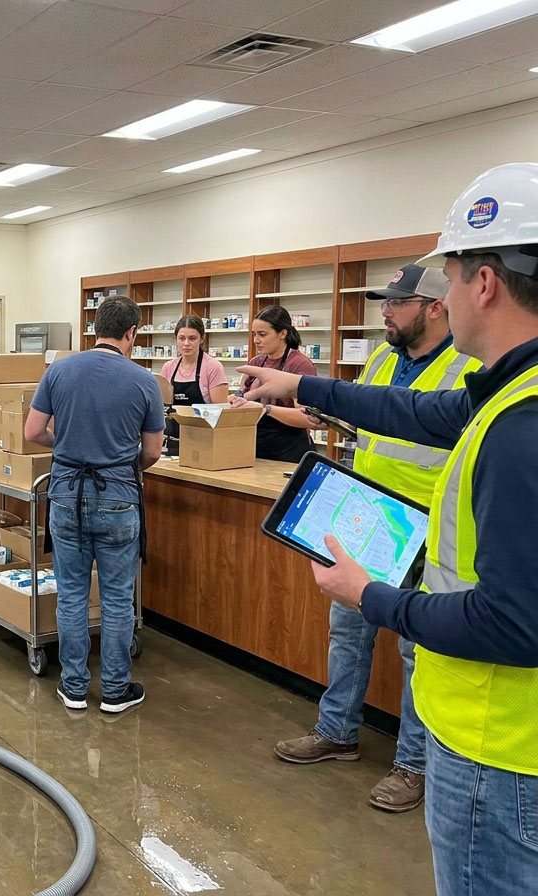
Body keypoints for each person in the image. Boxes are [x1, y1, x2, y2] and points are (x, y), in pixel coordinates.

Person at [238, 162, 538, 896]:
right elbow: (418, 414)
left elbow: (514, 622)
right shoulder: (509, 390)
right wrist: (301, 385)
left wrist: (371, 595)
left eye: (453, 275)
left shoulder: (523, 425)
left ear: (484, 284)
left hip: (500, 751)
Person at [274, 264, 479, 814]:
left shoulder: (469, 369)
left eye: (397, 302)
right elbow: (369, 425)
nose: (384, 310)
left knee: (418, 654)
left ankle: (413, 764)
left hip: (426, 530)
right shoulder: (385, 357)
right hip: (366, 518)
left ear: (436, 307)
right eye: (383, 301)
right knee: (348, 633)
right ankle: (337, 730)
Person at [24, 296, 164, 714]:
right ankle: (116, 691)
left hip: (65, 492)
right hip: (119, 495)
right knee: (118, 597)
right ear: (132, 334)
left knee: (71, 594)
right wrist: (125, 464)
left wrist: (65, 446)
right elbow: (153, 451)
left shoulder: (60, 370)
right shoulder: (144, 381)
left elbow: (33, 431)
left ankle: (74, 687)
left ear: (95, 328)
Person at [229, 305, 318, 462]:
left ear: (283, 333)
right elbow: (242, 393)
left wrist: (265, 409)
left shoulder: (299, 364)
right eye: (254, 334)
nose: (256, 340)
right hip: (256, 448)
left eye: (262, 334)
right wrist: (236, 400)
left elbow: (306, 418)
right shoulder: (255, 362)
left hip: (290, 451)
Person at [160, 314, 230, 452]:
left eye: (192, 338)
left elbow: (222, 412)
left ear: (202, 339)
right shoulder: (168, 367)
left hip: (204, 441)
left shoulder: (212, 367)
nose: (186, 343)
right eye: (182, 338)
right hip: (173, 439)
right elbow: (161, 406)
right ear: (176, 339)